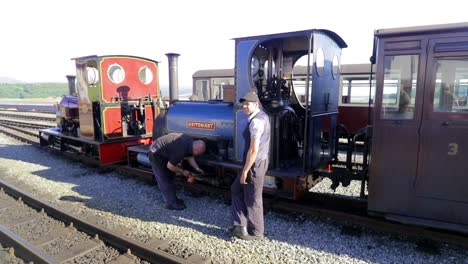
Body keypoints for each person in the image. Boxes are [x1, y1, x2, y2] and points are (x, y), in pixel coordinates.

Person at [230, 91, 271, 240]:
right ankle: (240, 226)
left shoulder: (256, 122)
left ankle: (256, 232)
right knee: (236, 189)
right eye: (244, 104)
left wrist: (245, 171)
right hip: (257, 162)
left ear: (256, 104)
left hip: (254, 164)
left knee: (253, 198)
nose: (245, 106)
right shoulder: (262, 116)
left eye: (248, 104)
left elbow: (253, 149)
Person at [148, 133, 206, 210]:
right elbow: (170, 166)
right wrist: (183, 172)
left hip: (164, 151)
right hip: (155, 153)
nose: (198, 155)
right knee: (165, 178)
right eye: (198, 153)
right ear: (195, 149)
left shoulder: (190, 141)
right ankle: (170, 204)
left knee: (171, 176)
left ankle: (173, 199)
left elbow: (190, 156)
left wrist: (197, 168)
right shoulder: (181, 149)